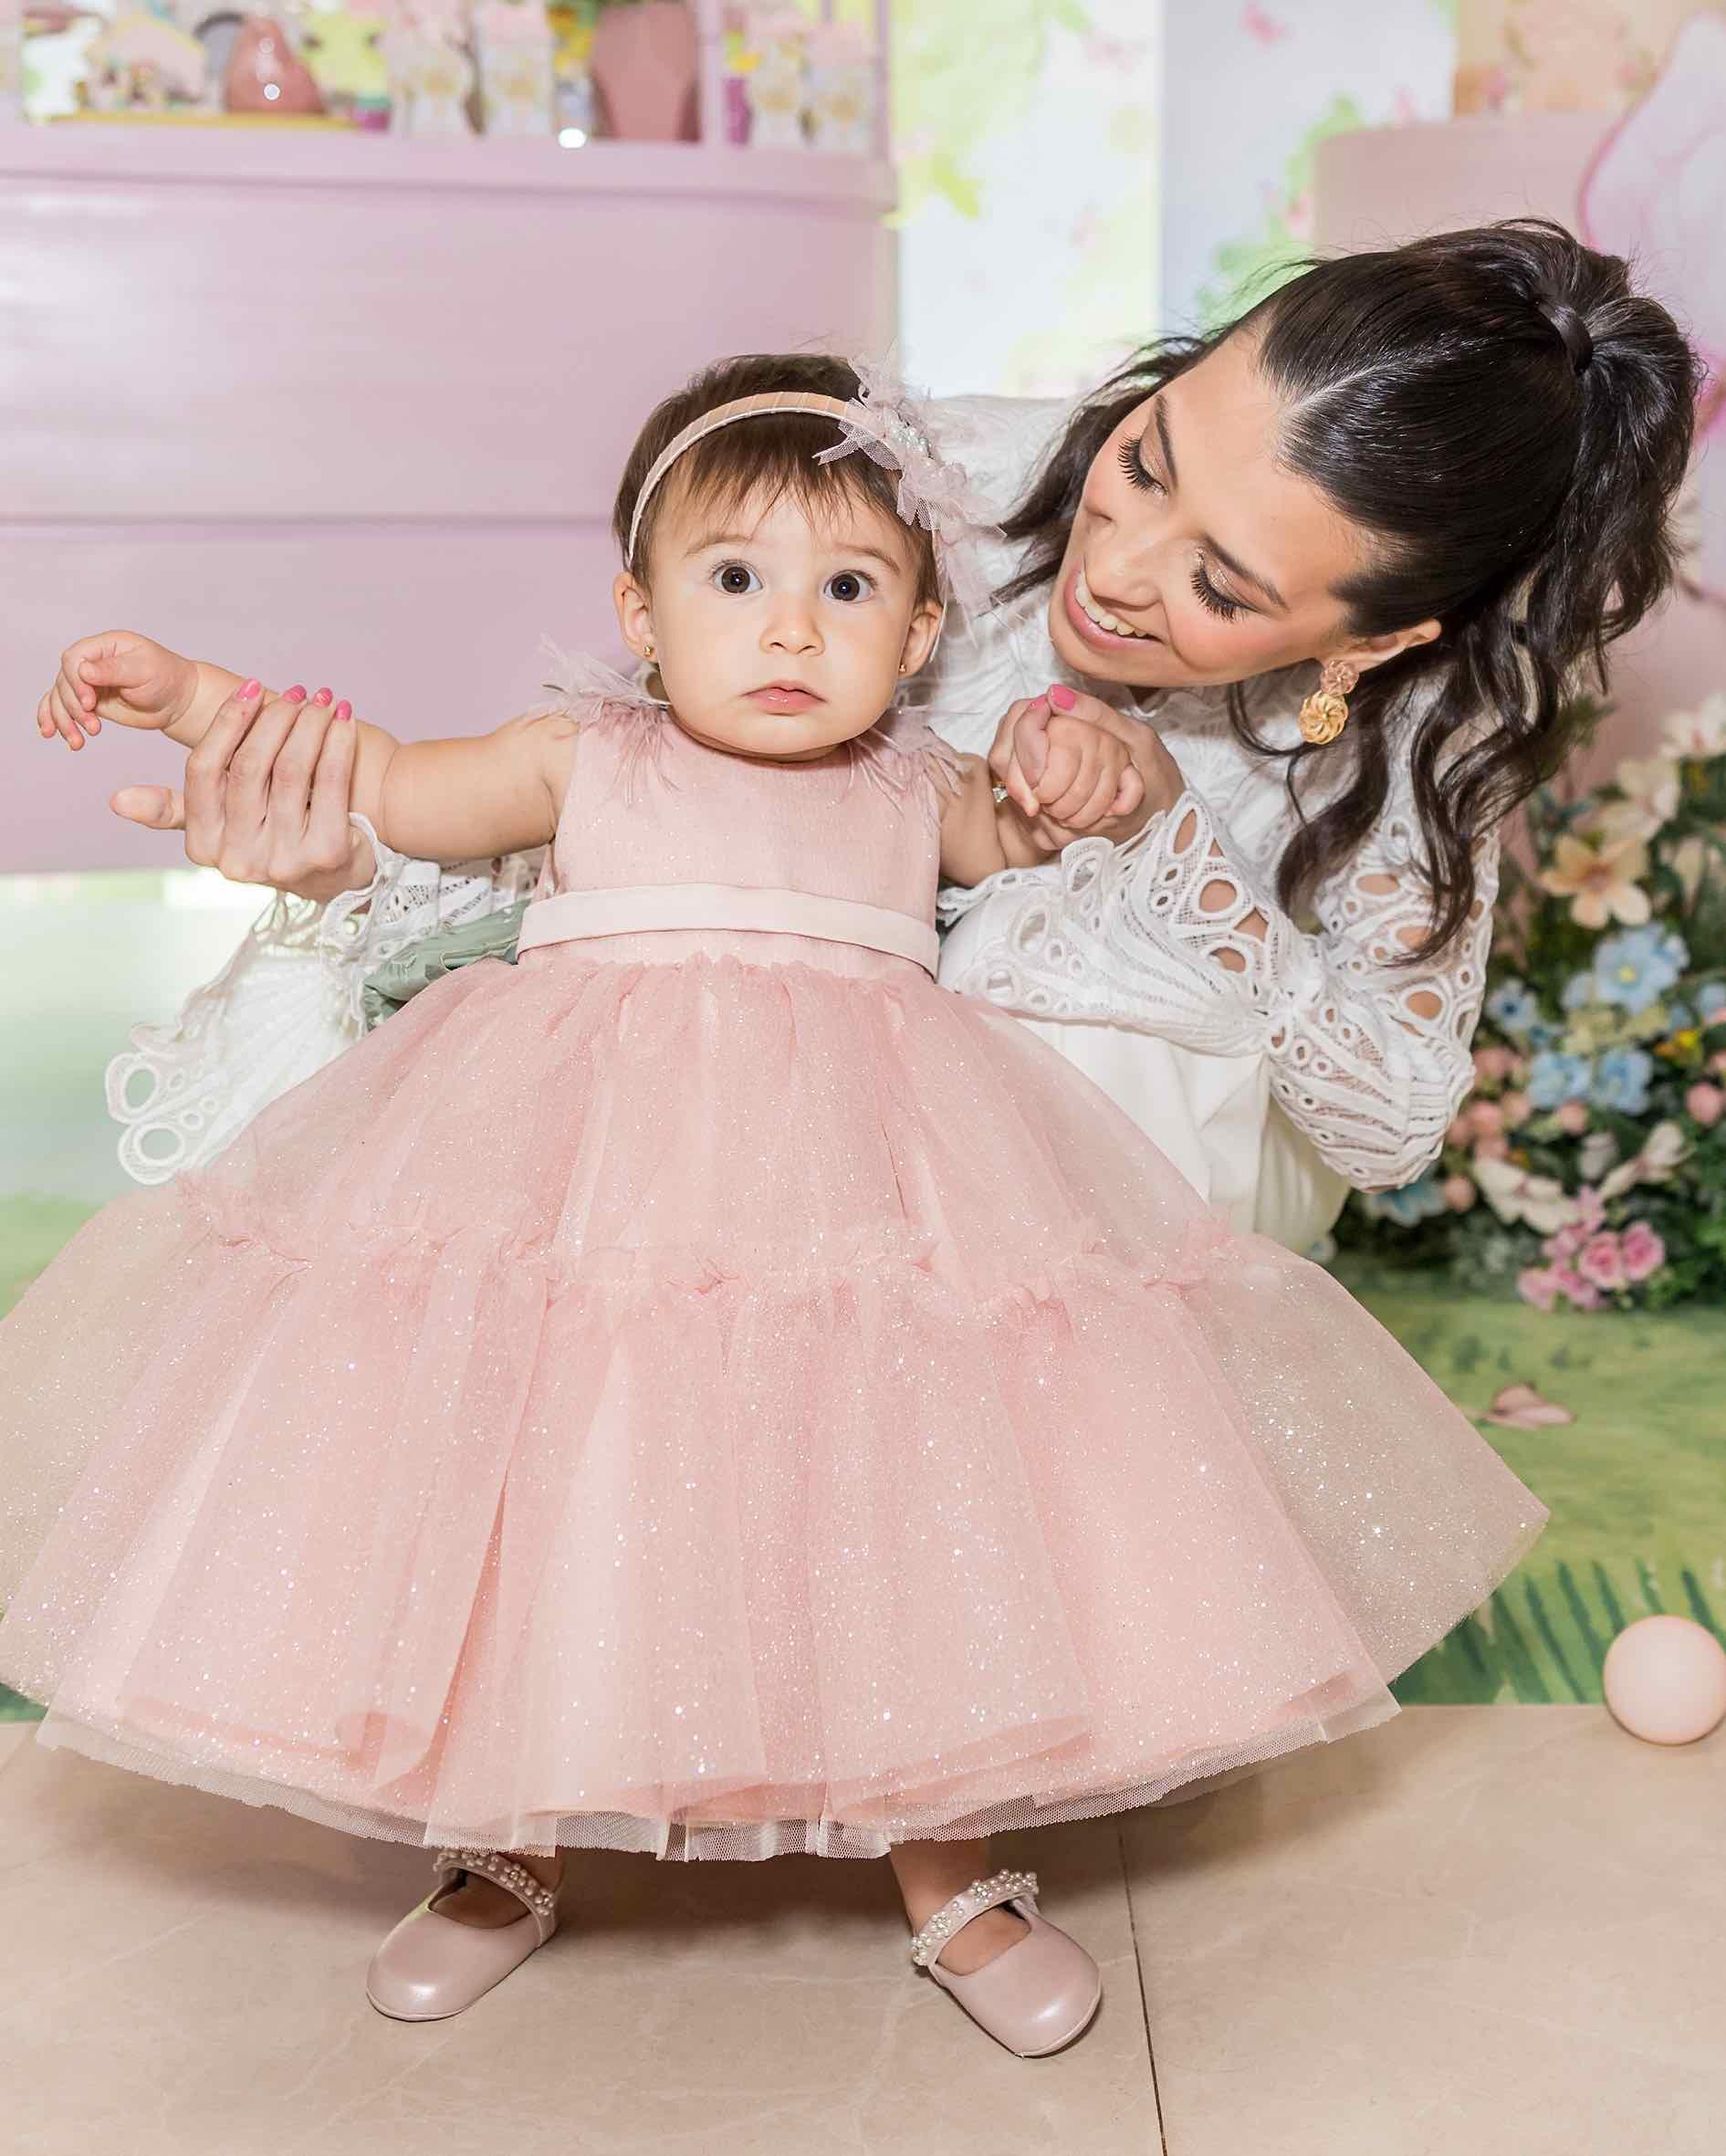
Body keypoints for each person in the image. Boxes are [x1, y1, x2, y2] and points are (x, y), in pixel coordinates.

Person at [6, 355, 1548, 2060]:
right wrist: (192, 698)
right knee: (547, 1486)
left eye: (851, 590)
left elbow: (1039, 831)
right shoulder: (577, 758)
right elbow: (376, 777)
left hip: (858, 1204)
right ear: (642, 613)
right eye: (735, 579)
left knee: (902, 1496)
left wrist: (1091, 778)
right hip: (581, 1194)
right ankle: (504, 1839)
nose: (792, 630)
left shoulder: (918, 785)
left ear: (922, 631)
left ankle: (950, 1857)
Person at [72, 220, 1700, 1257]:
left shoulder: (1423, 735)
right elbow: (653, 788)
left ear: (1379, 635)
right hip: (769, 1030)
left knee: (1059, 1001)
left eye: (1220, 584)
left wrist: (1162, 852)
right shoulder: (927, 484)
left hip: (1145, 1136)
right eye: (1147, 459)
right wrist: (340, 853)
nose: (1119, 569)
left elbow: (1385, 1122)